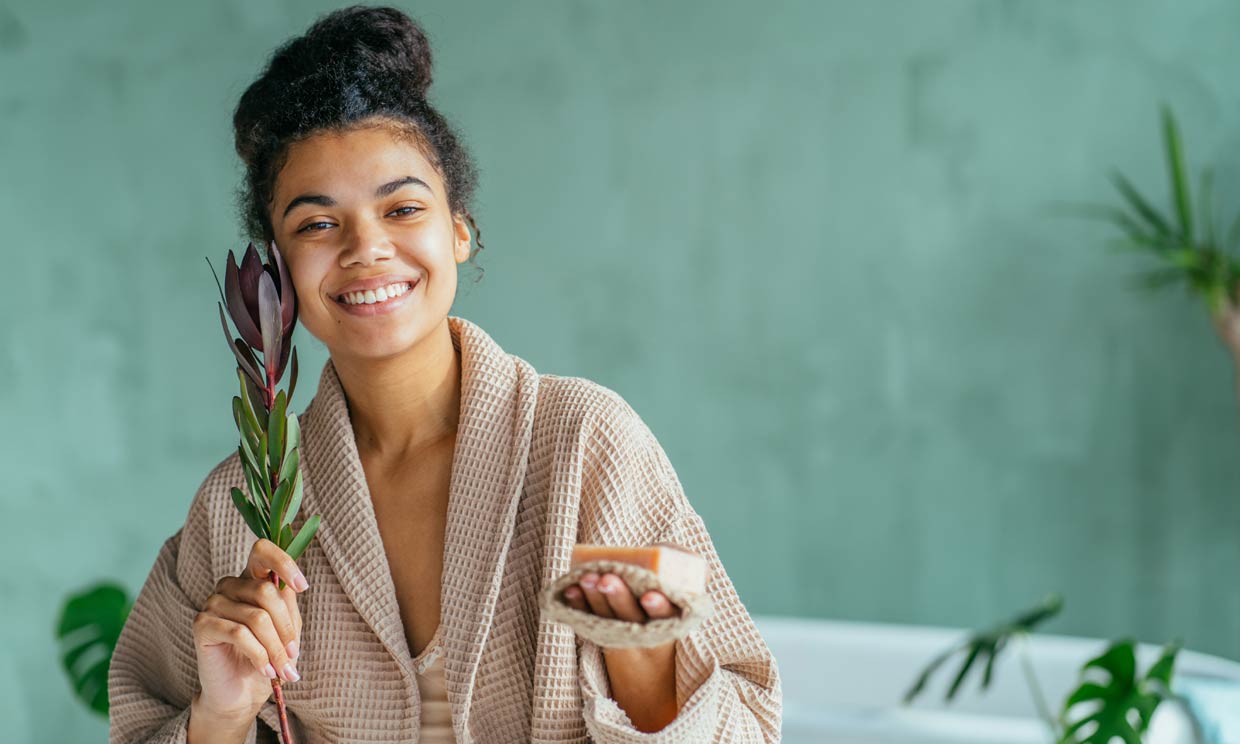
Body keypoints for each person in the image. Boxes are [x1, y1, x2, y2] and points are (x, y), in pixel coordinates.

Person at [108, 6, 781, 743]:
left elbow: (742, 726)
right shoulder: (236, 508)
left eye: (402, 208)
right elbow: (145, 722)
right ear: (279, 266)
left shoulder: (586, 449)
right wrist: (223, 712)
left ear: (459, 230)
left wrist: (645, 653)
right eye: (317, 224)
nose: (367, 247)